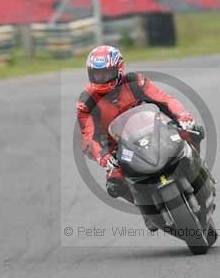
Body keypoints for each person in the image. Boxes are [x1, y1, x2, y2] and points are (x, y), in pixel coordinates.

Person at [76, 45, 196, 213]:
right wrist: (102, 156)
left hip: (152, 132)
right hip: (119, 148)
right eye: (96, 74)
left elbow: (165, 100)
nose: (101, 78)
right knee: (115, 182)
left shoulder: (135, 82)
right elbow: (89, 138)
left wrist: (182, 116)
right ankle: (147, 211)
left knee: (192, 133)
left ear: (118, 69)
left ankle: (200, 176)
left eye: (105, 73)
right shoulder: (86, 101)